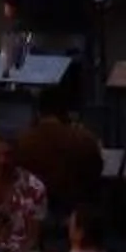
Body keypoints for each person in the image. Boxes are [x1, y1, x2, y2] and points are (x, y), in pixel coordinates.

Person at [10, 84, 103, 216]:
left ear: (38, 112)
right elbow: (96, 170)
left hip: (33, 212)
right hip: (74, 209)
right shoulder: (83, 139)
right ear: (66, 113)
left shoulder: (23, 141)